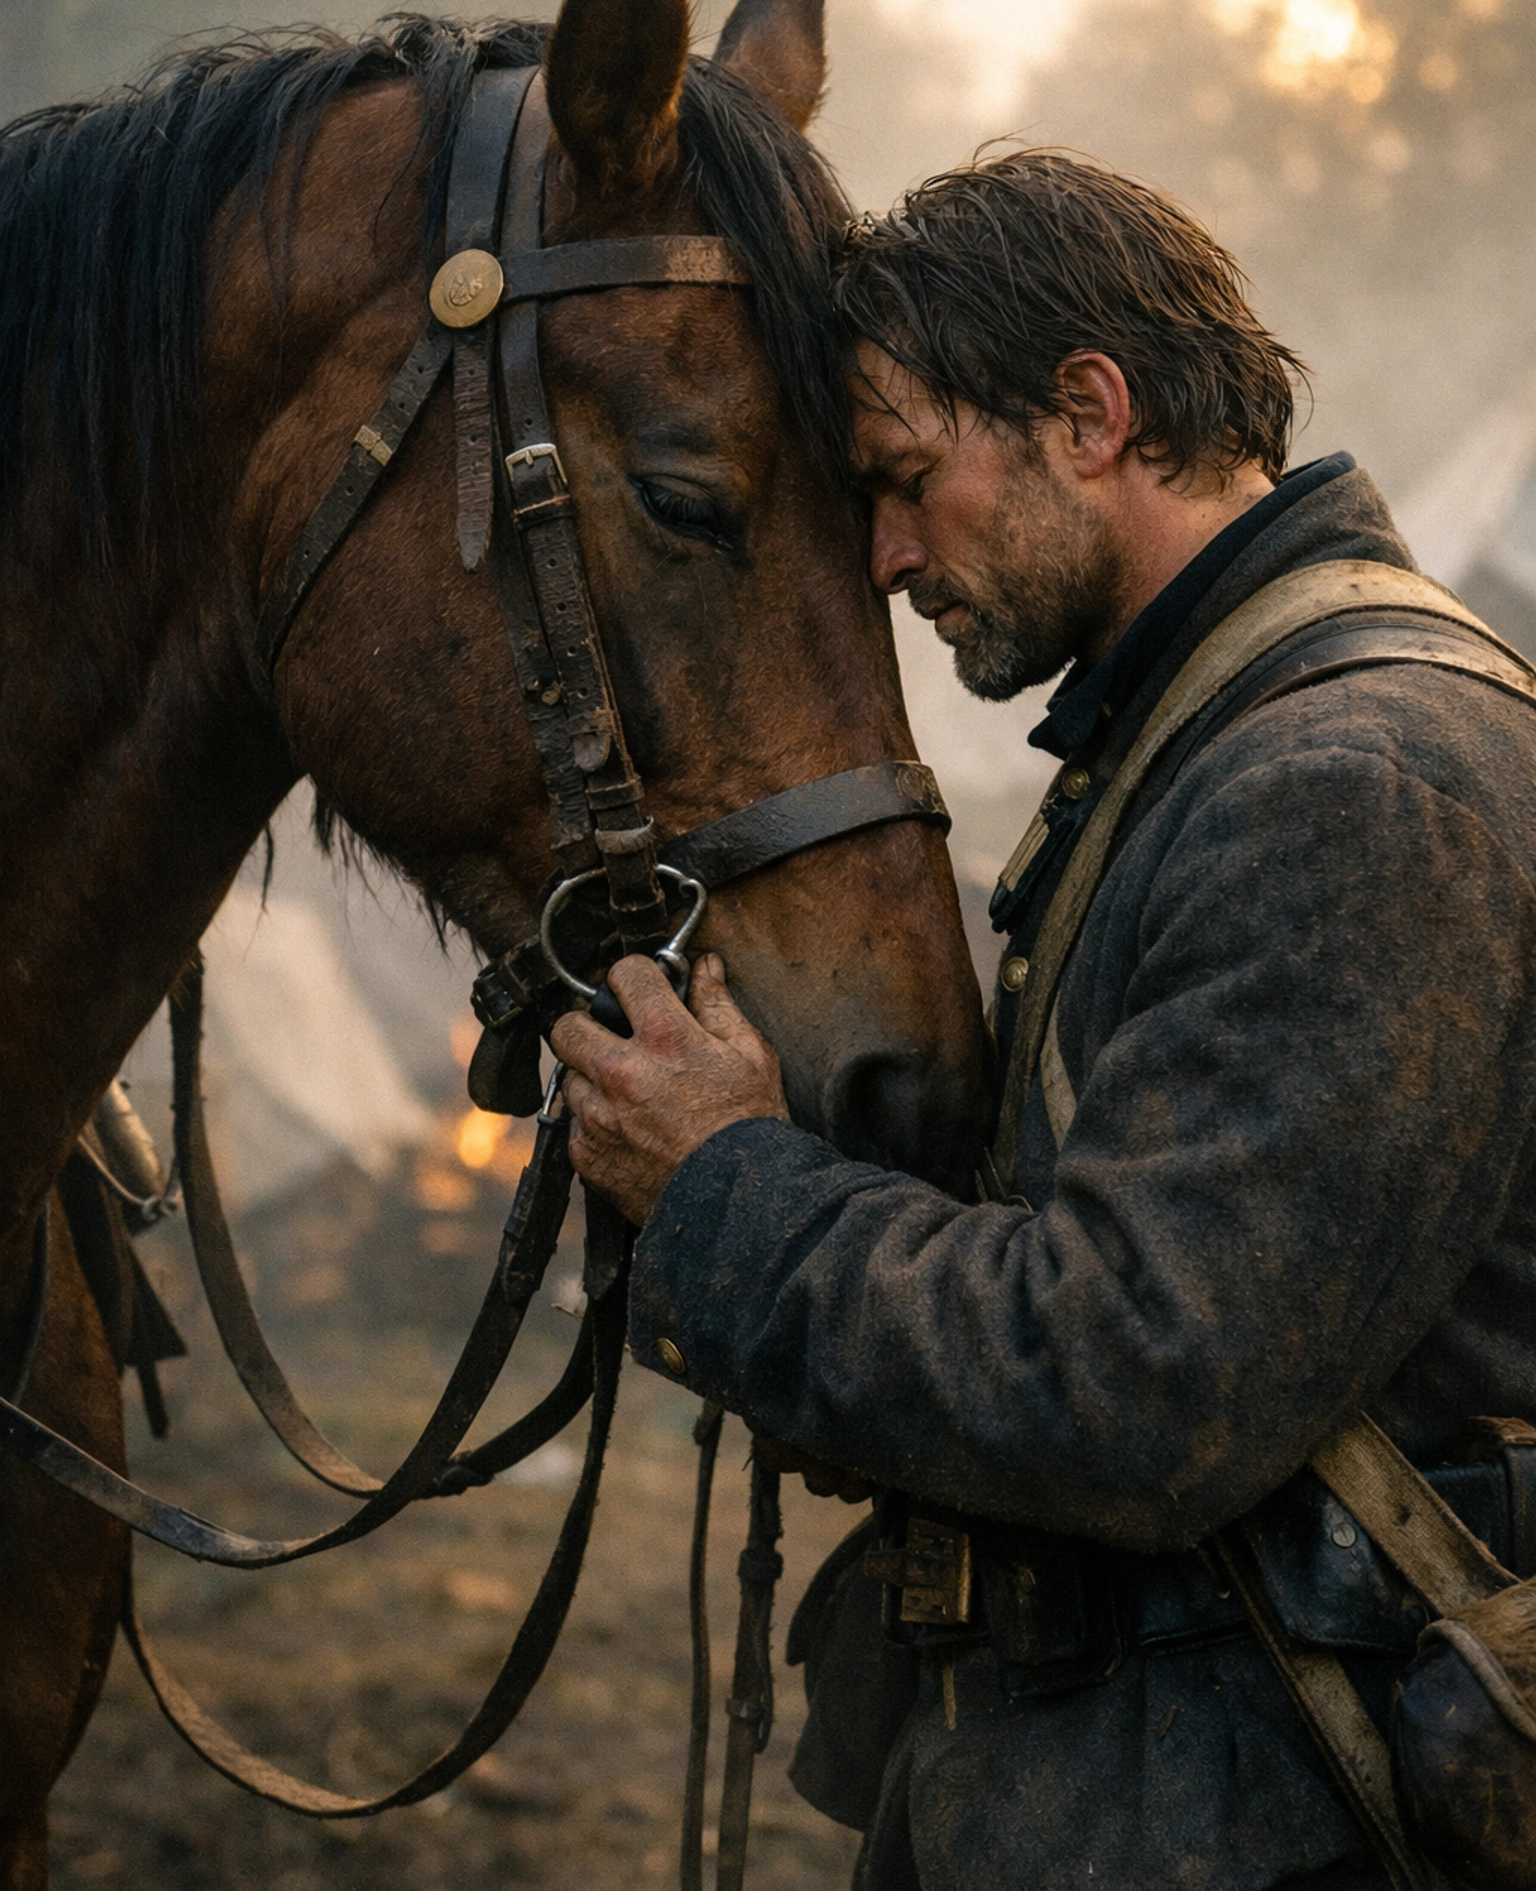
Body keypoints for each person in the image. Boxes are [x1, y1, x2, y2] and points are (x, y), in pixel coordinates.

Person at [549, 149, 1536, 1889]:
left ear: (1089, 413)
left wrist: (723, 1188)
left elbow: (1135, 1380)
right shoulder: (1211, 745)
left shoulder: (1356, 782)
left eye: (904, 479)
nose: (883, 556)